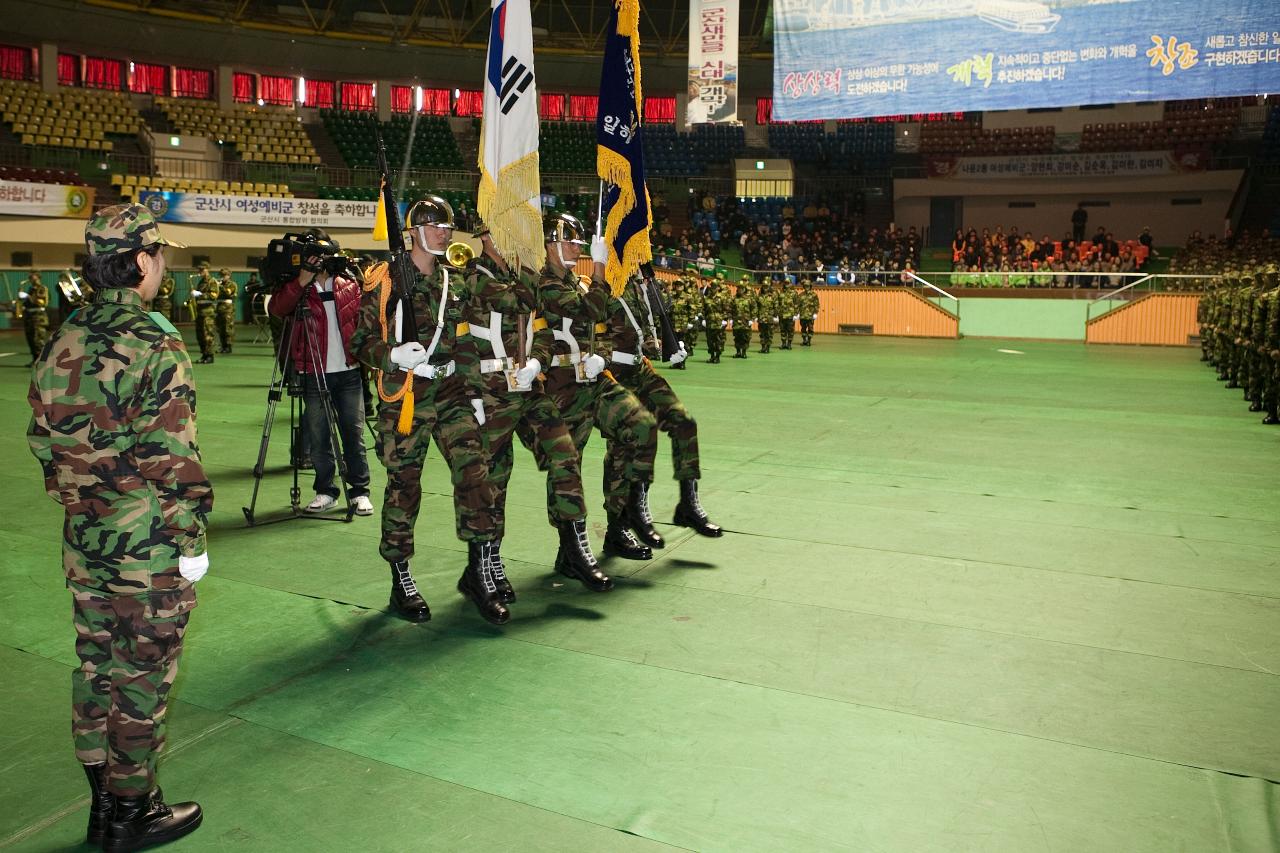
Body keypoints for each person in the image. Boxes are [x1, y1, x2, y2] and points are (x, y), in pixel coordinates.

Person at [27, 203, 210, 851]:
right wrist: (189, 545)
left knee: (96, 666)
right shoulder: (155, 341)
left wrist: (82, 497)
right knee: (141, 680)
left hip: (85, 539)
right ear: (140, 261)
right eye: (160, 254)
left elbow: (41, 438)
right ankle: (132, 814)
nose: (163, 265)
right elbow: (173, 459)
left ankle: (105, 801)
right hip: (146, 548)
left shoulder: (64, 335)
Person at [350, 197, 500, 624]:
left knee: (475, 474)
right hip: (408, 396)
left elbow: (466, 340)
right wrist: (394, 355)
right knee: (404, 485)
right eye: (434, 225)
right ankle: (401, 578)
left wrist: (474, 393)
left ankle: (479, 573)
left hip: (451, 391)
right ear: (412, 231)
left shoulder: (453, 281)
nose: (444, 232)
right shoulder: (385, 281)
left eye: (447, 226)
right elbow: (360, 342)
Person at [520, 212, 659, 562]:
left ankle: (620, 522)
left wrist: (605, 355)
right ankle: (570, 549)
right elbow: (591, 311)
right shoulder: (545, 284)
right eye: (569, 241)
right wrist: (599, 268)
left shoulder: (575, 282)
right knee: (567, 466)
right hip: (561, 386)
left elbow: (605, 326)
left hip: (593, 380)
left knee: (639, 427)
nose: (576, 247)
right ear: (550, 244)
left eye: (579, 243)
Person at [601, 266, 722, 538]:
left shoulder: (638, 285)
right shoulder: (605, 283)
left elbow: (643, 324)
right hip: (615, 373)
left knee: (684, 423)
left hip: (641, 370)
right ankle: (618, 526)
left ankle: (688, 504)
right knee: (623, 448)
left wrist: (662, 343)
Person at [268, 229, 374, 518]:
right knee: (319, 435)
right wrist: (302, 278)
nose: (320, 260)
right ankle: (326, 491)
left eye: (324, 255)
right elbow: (277, 309)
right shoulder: (298, 288)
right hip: (313, 372)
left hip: (349, 372)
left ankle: (360, 492)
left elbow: (366, 321)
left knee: (354, 434)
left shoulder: (349, 285)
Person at [18, 270, 49, 365]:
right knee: (30, 339)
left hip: (38, 317)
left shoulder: (42, 288)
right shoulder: (31, 289)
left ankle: (42, 362)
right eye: (30, 275)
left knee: (38, 340)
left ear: (38, 276)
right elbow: (29, 302)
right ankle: (35, 360)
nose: (30, 277)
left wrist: (27, 296)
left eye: (32, 275)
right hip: (29, 317)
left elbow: (42, 302)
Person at [190, 265, 216, 364]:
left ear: (207, 270)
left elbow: (213, 296)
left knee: (208, 335)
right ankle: (204, 354)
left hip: (208, 312)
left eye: (202, 270)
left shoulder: (212, 281)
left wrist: (200, 294)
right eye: (199, 269)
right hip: (200, 311)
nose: (200, 271)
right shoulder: (201, 282)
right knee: (200, 335)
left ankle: (210, 355)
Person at [729, 276, 756, 358]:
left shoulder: (749, 299)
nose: (740, 290)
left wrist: (752, 319)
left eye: (742, 288)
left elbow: (754, 308)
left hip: (745, 321)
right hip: (736, 321)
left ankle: (744, 352)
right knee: (737, 337)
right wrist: (730, 318)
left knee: (745, 337)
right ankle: (738, 352)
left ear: (744, 289)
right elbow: (730, 308)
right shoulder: (734, 298)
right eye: (739, 288)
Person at [214, 267, 237, 354]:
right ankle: (223, 346)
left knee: (228, 328)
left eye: (224, 275)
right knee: (220, 328)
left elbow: (228, 293)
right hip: (219, 308)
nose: (222, 277)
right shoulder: (218, 285)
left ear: (229, 275)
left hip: (228, 309)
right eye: (221, 275)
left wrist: (219, 286)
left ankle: (228, 346)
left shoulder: (232, 284)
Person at [798, 279, 820, 346]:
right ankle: (804, 340)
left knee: (810, 328)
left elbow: (817, 304)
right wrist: (797, 313)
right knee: (803, 328)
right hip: (803, 315)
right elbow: (798, 304)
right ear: (804, 287)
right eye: (805, 286)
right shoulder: (801, 295)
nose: (806, 287)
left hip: (810, 315)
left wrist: (816, 313)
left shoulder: (814, 295)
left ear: (810, 286)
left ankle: (809, 341)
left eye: (808, 286)